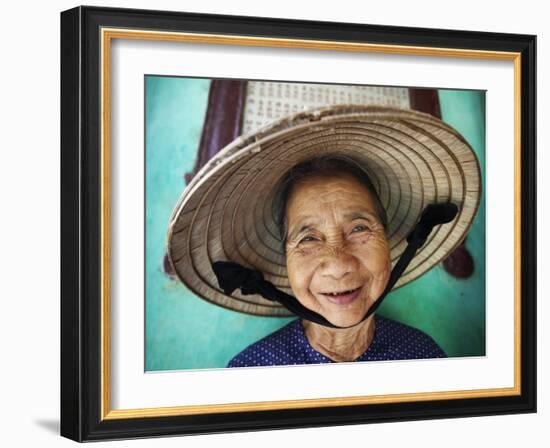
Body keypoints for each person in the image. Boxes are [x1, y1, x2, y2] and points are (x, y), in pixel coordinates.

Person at [167, 105, 481, 367]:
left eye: (359, 229)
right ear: (285, 261)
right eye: (308, 239)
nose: (338, 264)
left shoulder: (424, 357)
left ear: (388, 242)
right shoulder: (251, 372)